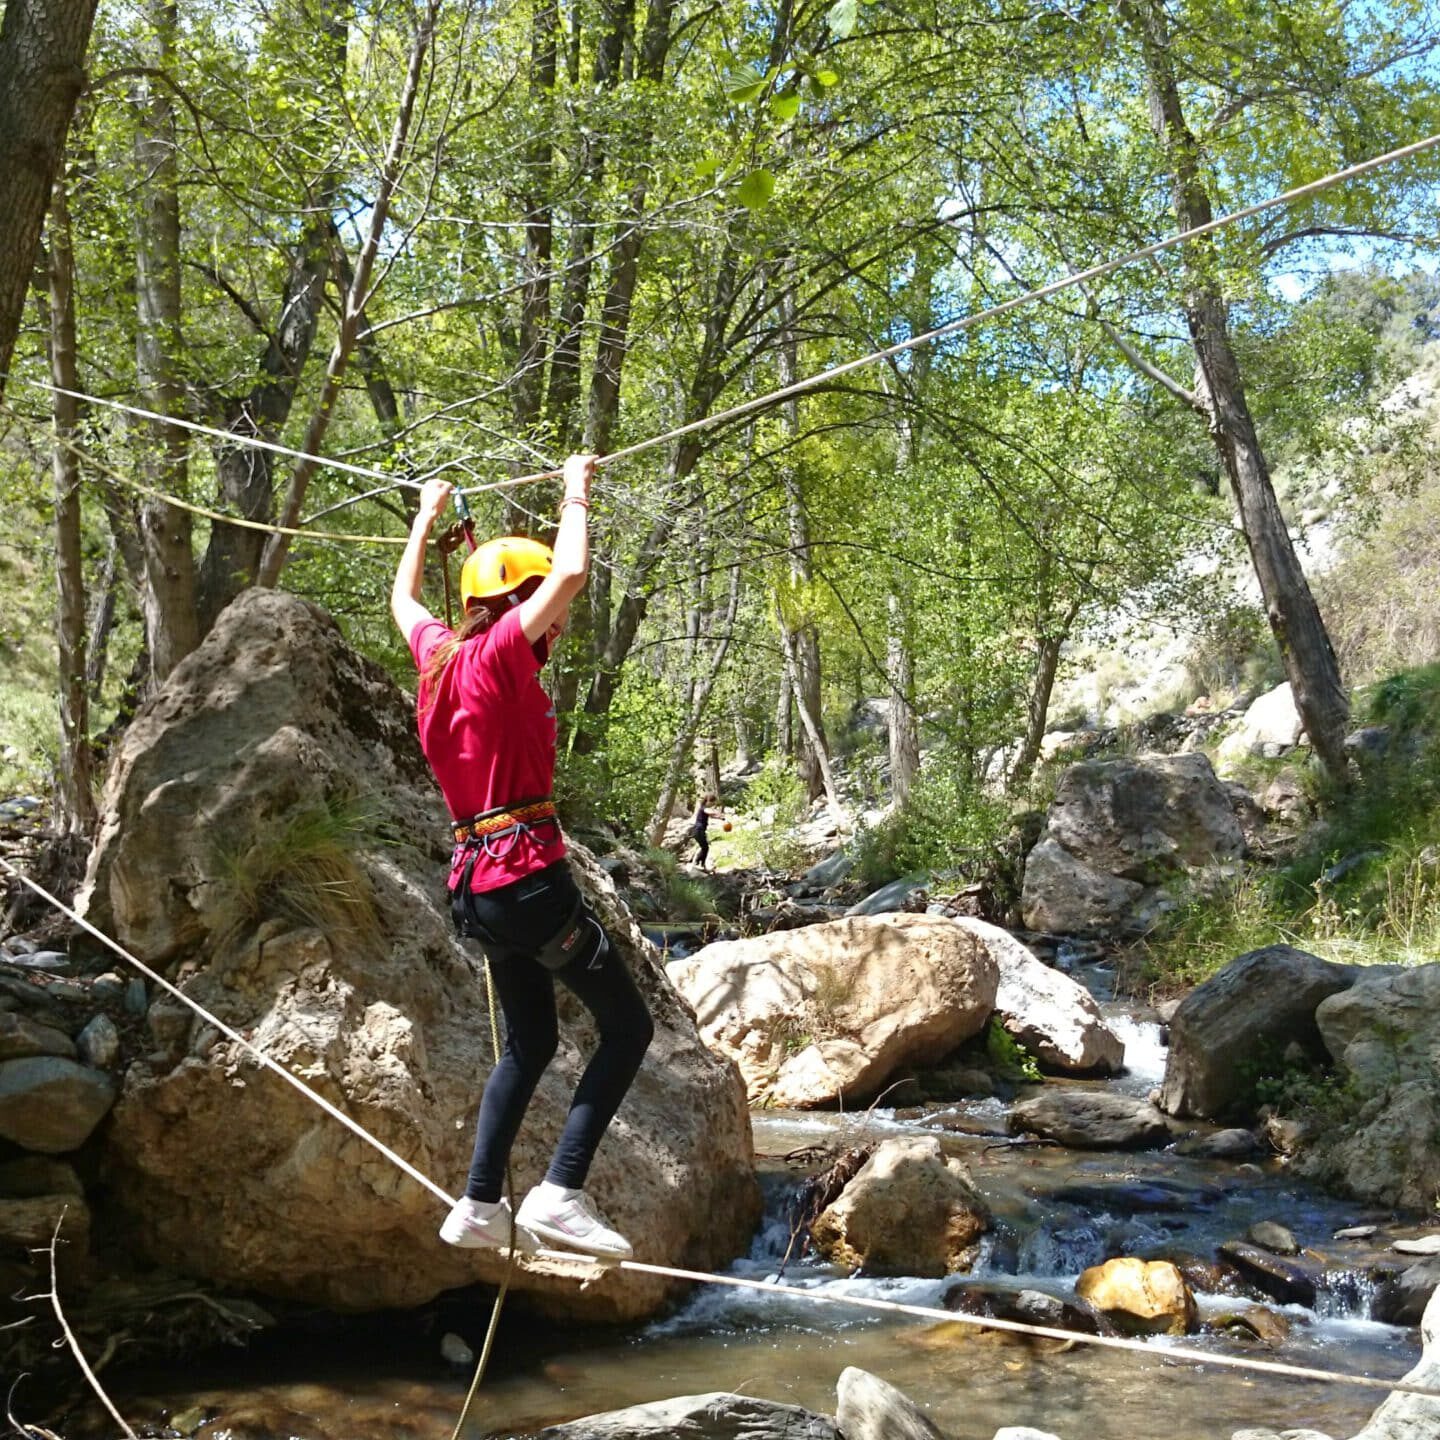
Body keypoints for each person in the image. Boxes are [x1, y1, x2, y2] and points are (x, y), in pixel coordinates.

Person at [389, 456, 653, 1261]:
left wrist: (425, 517)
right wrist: (576, 486)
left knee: (531, 1043)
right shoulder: (503, 652)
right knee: (628, 1028)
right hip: (527, 882)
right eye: (547, 617)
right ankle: (558, 1193)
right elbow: (569, 570)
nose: (558, 628)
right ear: (511, 607)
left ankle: (477, 1205)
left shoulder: (435, 660)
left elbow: (404, 601)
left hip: (478, 894)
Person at [690, 794, 722, 870]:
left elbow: (711, 815)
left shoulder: (704, 809)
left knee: (704, 847)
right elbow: (709, 812)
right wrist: (717, 813)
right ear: (708, 801)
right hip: (698, 830)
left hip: (699, 831)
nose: (713, 805)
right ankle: (700, 863)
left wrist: (720, 818)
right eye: (712, 803)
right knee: (705, 847)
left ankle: (699, 862)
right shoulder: (703, 808)